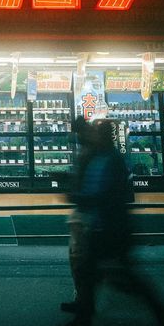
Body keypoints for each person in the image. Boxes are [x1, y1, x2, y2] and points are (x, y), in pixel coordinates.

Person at [55, 119, 164, 326]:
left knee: (114, 277)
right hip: (105, 228)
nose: (91, 135)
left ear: (103, 136)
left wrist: (76, 198)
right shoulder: (103, 157)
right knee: (92, 273)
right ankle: (83, 323)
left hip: (111, 229)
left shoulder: (110, 161)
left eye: (96, 132)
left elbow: (106, 196)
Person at [60, 116, 96, 314]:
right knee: (84, 263)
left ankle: (83, 309)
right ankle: (83, 306)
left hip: (87, 216)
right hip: (87, 214)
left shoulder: (90, 152)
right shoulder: (90, 150)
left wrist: (74, 194)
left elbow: (93, 186)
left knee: (80, 261)